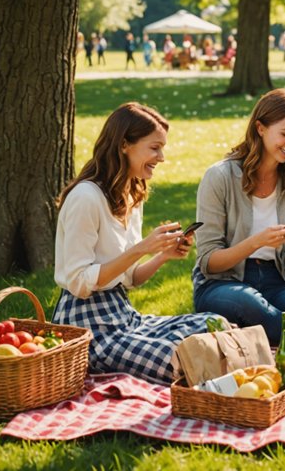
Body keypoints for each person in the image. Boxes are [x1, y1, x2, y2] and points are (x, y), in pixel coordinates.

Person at [53, 103, 224, 384]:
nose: (162, 157)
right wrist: (142, 248)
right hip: (86, 325)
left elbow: (129, 278)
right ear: (124, 145)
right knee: (179, 358)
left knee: (214, 324)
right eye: (154, 148)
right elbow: (79, 283)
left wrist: (162, 256)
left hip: (123, 315)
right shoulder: (86, 198)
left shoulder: (131, 194)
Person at [192, 89, 285, 346]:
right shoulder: (220, 177)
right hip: (224, 282)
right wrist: (256, 242)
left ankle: (248, 335)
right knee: (248, 303)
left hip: (277, 280)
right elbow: (208, 262)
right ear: (260, 128)